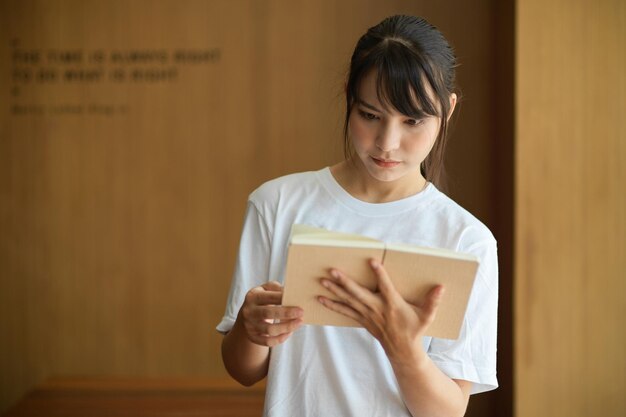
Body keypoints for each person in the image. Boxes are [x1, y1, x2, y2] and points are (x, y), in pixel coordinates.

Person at [217, 14, 498, 417]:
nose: (388, 143)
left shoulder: (466, 240)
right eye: (370, 115)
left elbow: (447, 412)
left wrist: (401, 348)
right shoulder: (276, 204)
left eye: (413, 120)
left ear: (448, 109)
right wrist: (251, 328)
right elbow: (242, 370)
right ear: (349, 97)